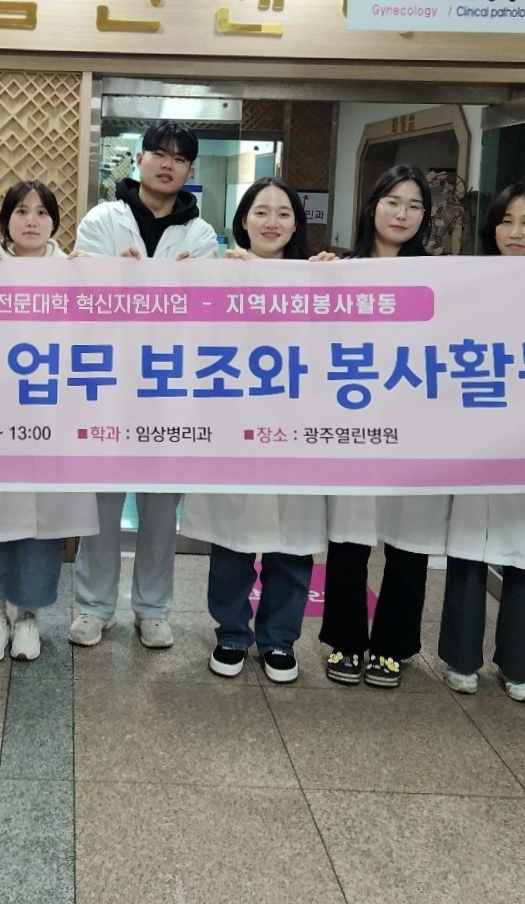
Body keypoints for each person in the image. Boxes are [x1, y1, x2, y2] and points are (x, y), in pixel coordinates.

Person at [68, 122, 219, 650]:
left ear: (190, 170)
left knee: (159, 508)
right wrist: (124, 280)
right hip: (108, 382)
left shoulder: (202, 236)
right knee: (101, 505)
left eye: (179, 157)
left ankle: (153, 610)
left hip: (169, 386)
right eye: (159, 152)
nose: (167, 163)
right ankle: (93, 607)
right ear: (140, 158)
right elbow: (84, 294)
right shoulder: (101, 220)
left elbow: (204, 312)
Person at [181, 178, 336, 683]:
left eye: (284, 213)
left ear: (297, 224)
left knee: (293, 540)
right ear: (243, 221)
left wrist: (334, 282)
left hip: (297, 430)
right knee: (233, 537)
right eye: (261, 212)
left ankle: (279, 639)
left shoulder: (316, 277)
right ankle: (231, 632)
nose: (272, 222)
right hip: (235, 428)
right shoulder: (219, 273)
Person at [0, 181, 99, 664]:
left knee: (42, 523)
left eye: (41, 212)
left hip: (52, 419)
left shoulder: (76, 272)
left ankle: (29, 616)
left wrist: (117, 273)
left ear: (55, 222)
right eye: (21, 211)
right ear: (6, 220)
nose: (31, 220)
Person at [437, 183, 525, 705]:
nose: (516, 232)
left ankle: (519, 665)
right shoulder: (468, 280)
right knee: (470, 550)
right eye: (506, 221)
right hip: (479, 434)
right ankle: (461, 659)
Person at [319, 164, 447, 690]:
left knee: (409, 539)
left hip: (417, 429)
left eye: (415, 206)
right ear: (373, 206)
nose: (402, 214)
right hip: (354, 426)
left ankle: (393, 645)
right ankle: (346, 640)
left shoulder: (444, 276)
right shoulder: (339, 269)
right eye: (393, 201)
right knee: (349, 538)